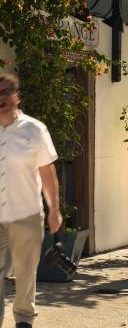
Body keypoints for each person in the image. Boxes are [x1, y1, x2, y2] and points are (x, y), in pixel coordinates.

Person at [0, 72, 62, 327]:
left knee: (25, 273)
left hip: (26, 214)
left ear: (17, 97)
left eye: (5, 92)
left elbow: (47, 171)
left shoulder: (34, 129)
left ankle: (24, 320)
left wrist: (54, 209)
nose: (0, 98)